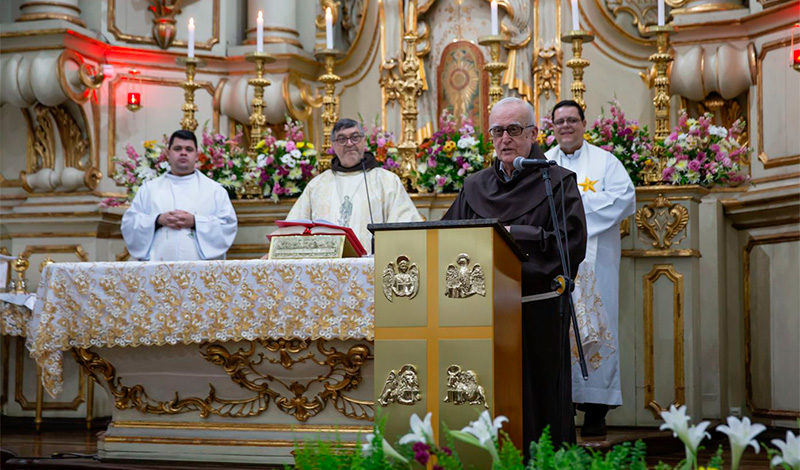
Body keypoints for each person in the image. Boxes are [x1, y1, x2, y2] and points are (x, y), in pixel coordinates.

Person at [441, 97, 587, 447]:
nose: (505, 138)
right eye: (498, 131)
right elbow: (447, 237)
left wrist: (516, 244)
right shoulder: (475, 186)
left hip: (536, 308)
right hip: (484, 312)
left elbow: (570, 245)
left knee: (537, 398)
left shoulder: (557, 182)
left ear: (533, 134)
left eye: (514, 130)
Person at [544, 100, 635, 437]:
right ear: (551, 127)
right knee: (558, 332)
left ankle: (597, 412)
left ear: (584, 123)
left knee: (598, 329)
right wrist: (569, 216)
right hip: (555, 262)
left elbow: (624, 197)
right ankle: (562, 409)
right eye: (559, 122)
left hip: (597, 267)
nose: (565, 126)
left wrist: (573, 213)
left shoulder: (605, 162)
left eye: (572, 120)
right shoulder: (544, 163)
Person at [286, 118, 422, 252]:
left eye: (355, 137)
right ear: (333, 145)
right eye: (342, 139)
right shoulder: (317, 185)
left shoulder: (386, 181)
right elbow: (294, 229)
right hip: (325, 268)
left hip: (372, 267)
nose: (349, 143)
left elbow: (405, 225)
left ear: (364, 141)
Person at [121, 129, 238, 261]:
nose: (183, 153)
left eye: (189, 149)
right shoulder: (149, 189)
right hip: (157, 269)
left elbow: (227, 225)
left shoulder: (215, 190)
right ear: (168, 154)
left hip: (201, 271)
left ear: (197, 155)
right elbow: (130, 224)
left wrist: (195, 222)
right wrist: (158, 220)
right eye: (177, 148)